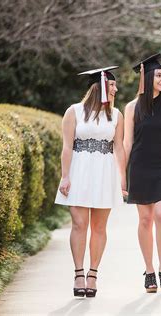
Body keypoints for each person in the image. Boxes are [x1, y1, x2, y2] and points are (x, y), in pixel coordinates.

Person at [55, 66, 127, 298]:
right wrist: (65, 176)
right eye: (113, 85)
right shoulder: (73, 112)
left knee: (99, 226)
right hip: (79, 170)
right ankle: (78, 273)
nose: (116, 88)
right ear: (101, 87)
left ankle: (93, 274)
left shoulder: (116, 115)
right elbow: (66, 147)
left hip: (105, 172)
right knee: (78, 223)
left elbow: (119, 147)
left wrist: (122, 178)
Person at [123, 53, 161, 293]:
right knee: (145, 219)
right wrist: (121, 174)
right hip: (140, 166)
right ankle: (149, 271)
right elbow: (127, 143)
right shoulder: (131, 107)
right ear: (147, 77)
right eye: (158, 75)